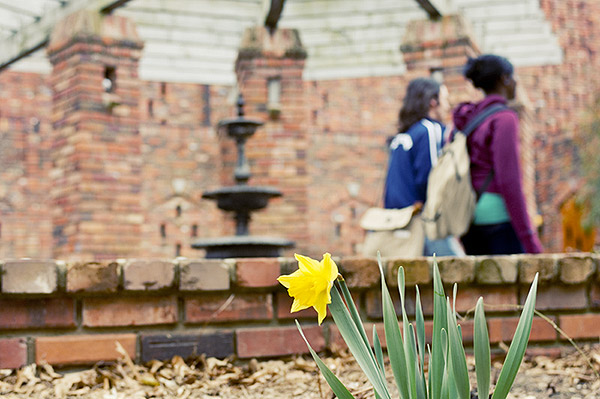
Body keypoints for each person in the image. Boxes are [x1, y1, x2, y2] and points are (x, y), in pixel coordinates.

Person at [453, 54, 543, 254]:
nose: (516, 83)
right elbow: (509, 181)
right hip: (497, 219)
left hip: (468, 218)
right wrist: (530, 239)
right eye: (514, 76)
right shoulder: (504, 118)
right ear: (505, 79)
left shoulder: (467, 119)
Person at [384, 77, 464, 256]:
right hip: (422, 224)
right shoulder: (430, 130)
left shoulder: (404, 135)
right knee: (458, 275)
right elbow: (432, 180)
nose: (448, 106)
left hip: (397, 224)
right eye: (445, 99)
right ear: (433, 102)